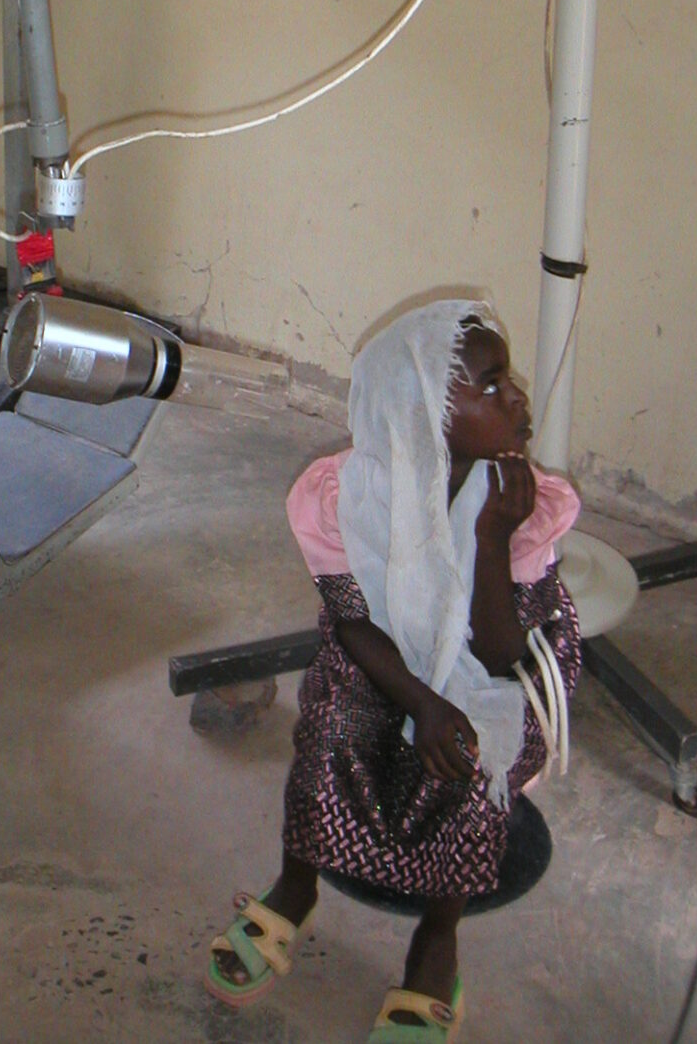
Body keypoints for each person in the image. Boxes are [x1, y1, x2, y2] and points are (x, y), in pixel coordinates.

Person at [205, 298, 583, 1041]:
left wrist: (491, 537)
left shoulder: (521, 504)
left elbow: (504, 654)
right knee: (332, 724)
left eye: (508, 379)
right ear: (419, 409)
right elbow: (350, 622)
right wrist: (418, 700)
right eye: (490, 383)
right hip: (380, 655)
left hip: (497, 660)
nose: (516, 398)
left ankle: (437, 934)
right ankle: (296, 883)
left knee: (474, 756)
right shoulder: (342, 495)